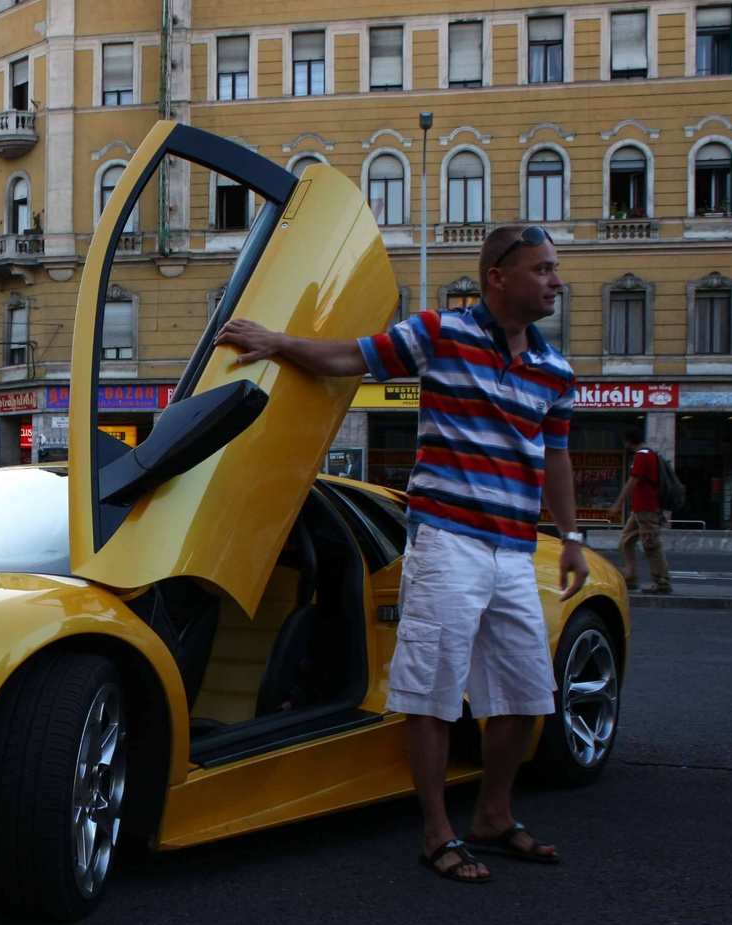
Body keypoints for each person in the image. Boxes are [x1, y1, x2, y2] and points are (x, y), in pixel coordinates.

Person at [215, 223, 586, 885]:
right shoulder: (439, 333)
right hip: (445, 539)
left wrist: (574, 535)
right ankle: (437, 831)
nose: (555, 281)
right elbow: (348, 357)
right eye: (543, 269)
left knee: (530, 693)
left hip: (512, 549)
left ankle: (494, 815)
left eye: (554, 269)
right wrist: (276, 343)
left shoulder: (555, 370)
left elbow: (556, 455)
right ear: (498, 276)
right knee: (434, 694)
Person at [607, 426, 672, 594]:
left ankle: (662, 581)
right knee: (626, 541)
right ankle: (631, 579)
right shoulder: (647, 455)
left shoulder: (643, 456)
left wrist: (618, 504)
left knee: (651, 544)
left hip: (647, 508)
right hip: (640, 510)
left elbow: (633, 482)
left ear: (628, 441)